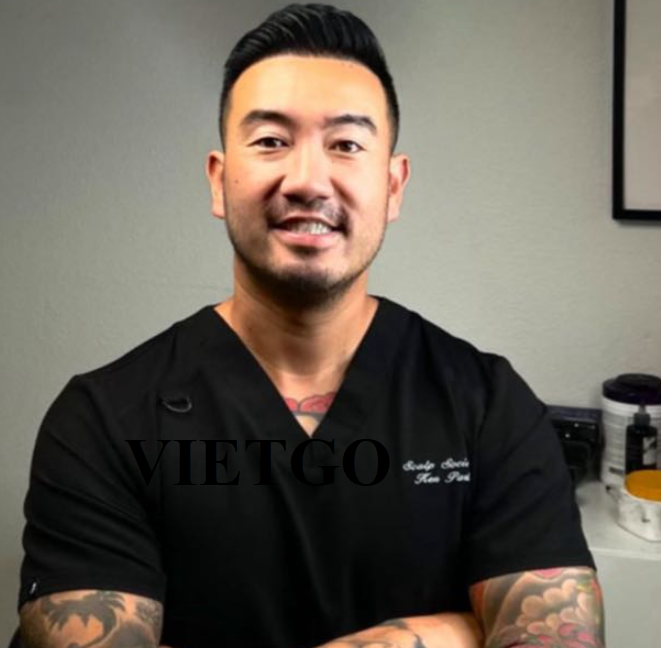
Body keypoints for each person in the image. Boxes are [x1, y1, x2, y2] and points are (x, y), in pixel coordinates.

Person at [15, 4, 604, 648]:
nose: (306, 180)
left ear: (393, 186)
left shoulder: (488, 408)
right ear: (219, 180)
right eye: (271, 141)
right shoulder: (104, 423)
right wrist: (450, 636)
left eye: (346, 144)